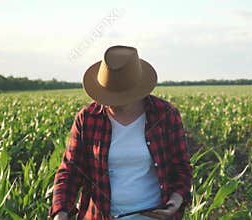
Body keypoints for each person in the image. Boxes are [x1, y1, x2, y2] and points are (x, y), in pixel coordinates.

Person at [49, 45, 193, 220]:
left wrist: (175, 202)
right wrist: (60, 212)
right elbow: (70, 171)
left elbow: (181, 168)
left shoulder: (165, 115)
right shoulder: (87, 118)